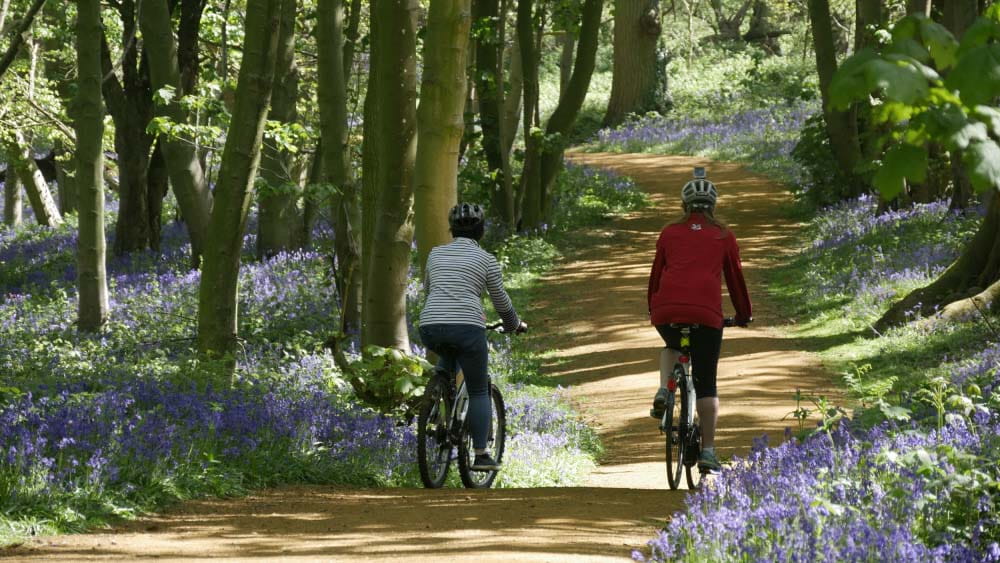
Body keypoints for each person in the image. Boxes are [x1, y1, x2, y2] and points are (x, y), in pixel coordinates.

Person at [646, 170, 752, 471]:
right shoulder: (723, 236)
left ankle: (665, 389)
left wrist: (652, 308)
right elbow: (735, 281)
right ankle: (707, 451)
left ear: (684, 205)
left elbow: (656, 276)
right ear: (713, 206)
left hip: (666, 312)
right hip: (706, 317)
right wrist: (743, 315)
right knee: (706, 384)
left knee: (672, 345)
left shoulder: (668, 233)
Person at [419, 202, 527, 471]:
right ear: (481, 231)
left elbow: (428, 289)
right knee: (479, 389)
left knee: (447, 358)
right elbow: (501, 302)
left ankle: (437, 400)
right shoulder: (486, 260)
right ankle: (480, 454)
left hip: (431, 325)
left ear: (451, 230)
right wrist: (514, 324)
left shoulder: (435, 255)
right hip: (467, 328)